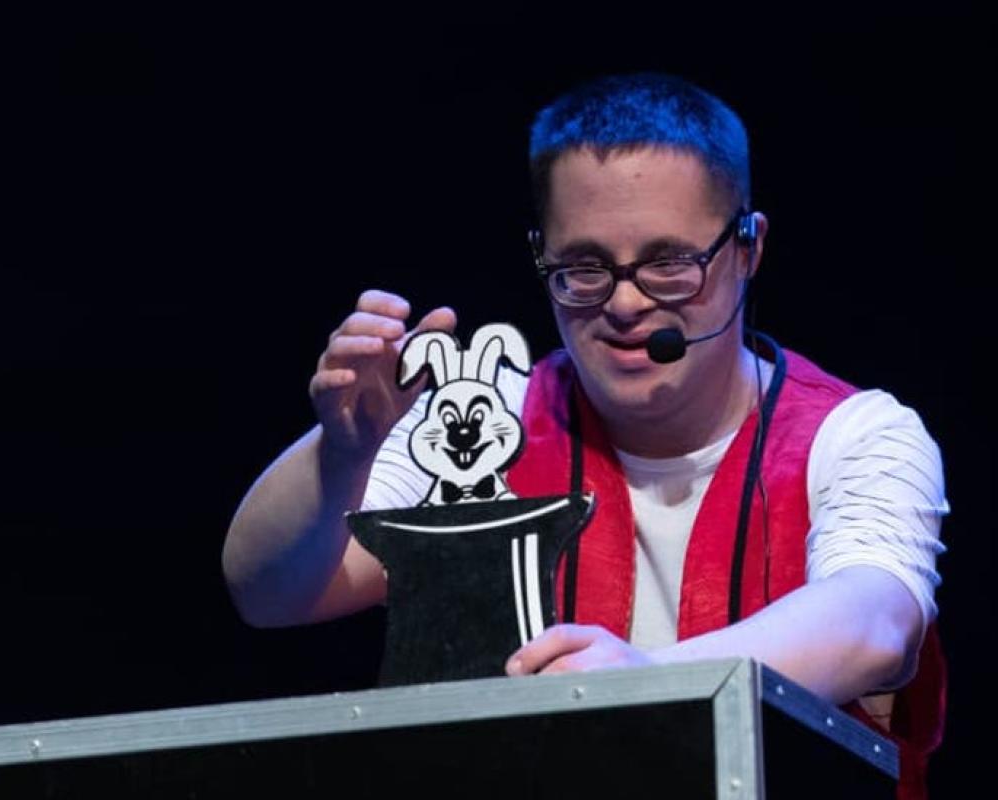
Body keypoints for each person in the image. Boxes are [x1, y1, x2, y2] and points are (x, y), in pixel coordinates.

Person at [222, 73, 949, 797]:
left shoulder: (856, 435)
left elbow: (876, 624)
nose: (626, 304)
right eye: (584, 267)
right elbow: (268, 591)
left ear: (746, 249)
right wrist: (342, 453)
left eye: (669, 262)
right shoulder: (485, 424)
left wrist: (649, 683)